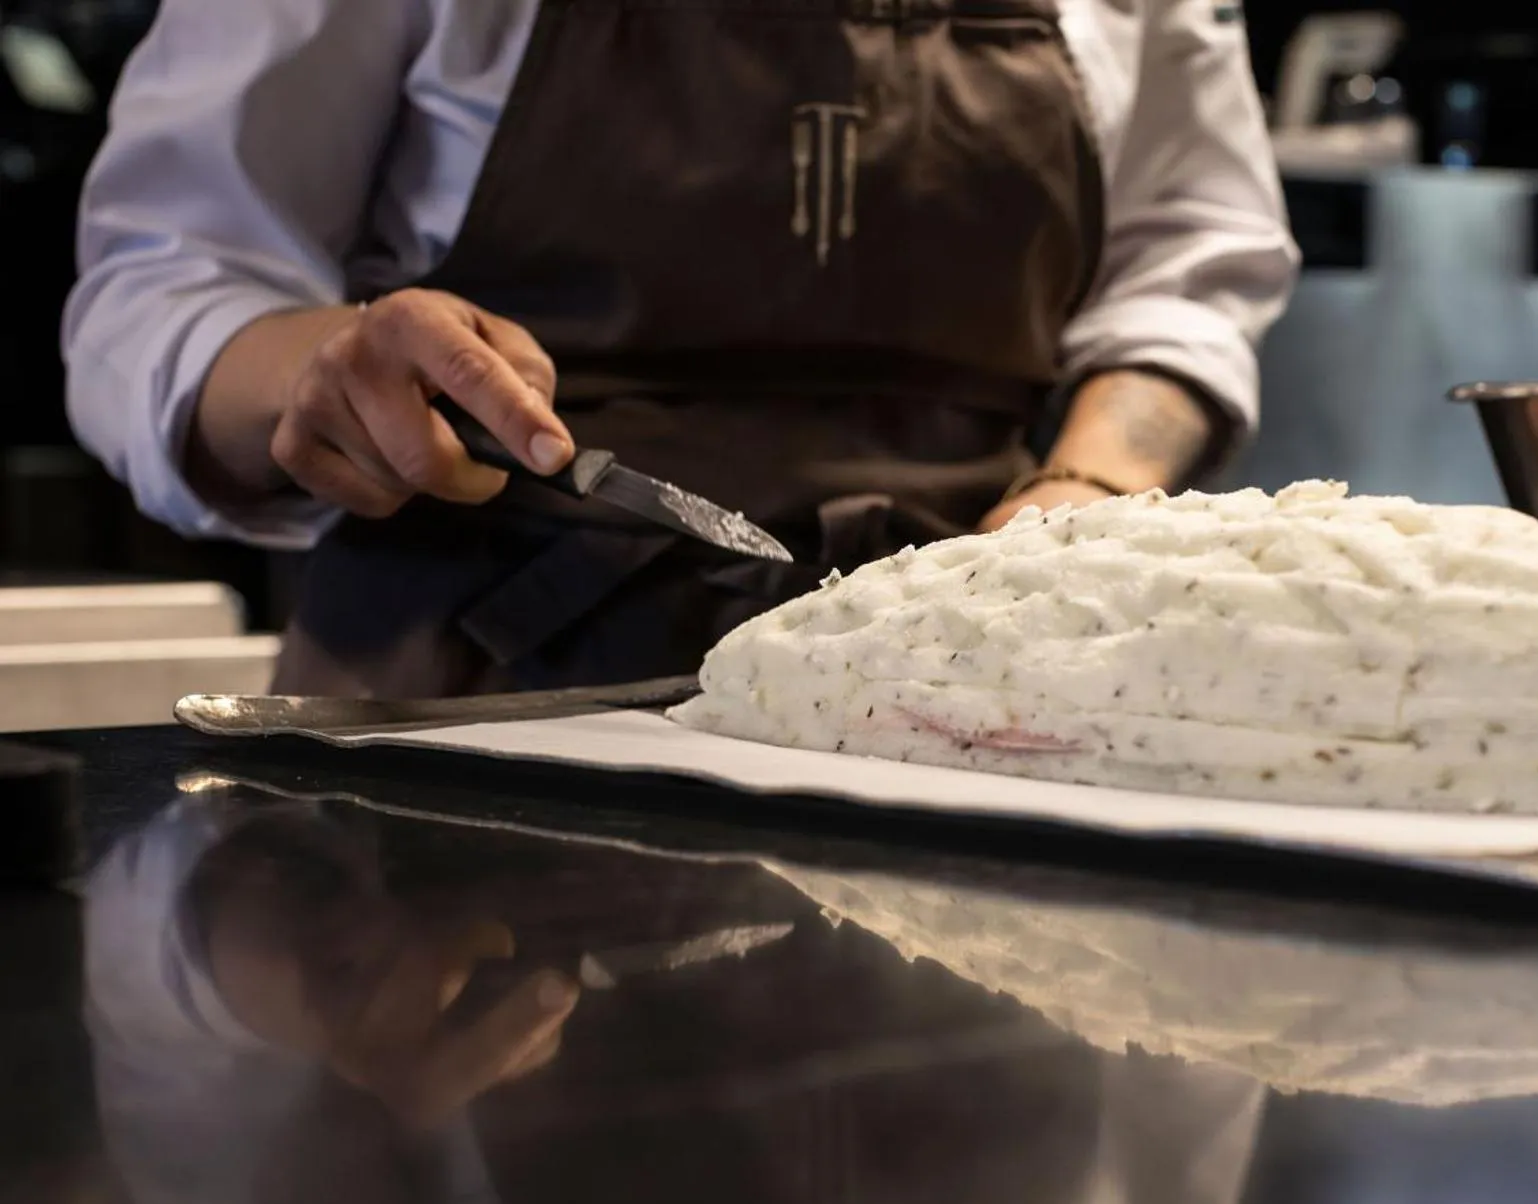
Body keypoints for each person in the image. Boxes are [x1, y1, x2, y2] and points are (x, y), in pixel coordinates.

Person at [62, 0, 1297, 699]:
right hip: (470, 713)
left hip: (969, 692)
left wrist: (1081, 496)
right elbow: (168, 280)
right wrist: (320, 368)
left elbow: (1186, 264)